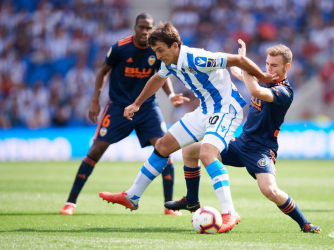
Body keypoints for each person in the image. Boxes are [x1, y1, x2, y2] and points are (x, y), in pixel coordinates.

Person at [98, 22, 278, 233]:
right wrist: (137, 103)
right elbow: (157, 78)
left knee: (207, 153)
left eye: (160, 51)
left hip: (226, 109)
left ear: (175, 46)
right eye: (155, 51)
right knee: (163, 145)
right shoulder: (170, 62)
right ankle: (133, 196)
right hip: (205, 110)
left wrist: (263, 77)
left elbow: (237, 59)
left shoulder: (197, 58)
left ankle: (230, 212)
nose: (158, 56)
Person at [165, 40, 321, 234]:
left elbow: (254, 90)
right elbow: (242, 75)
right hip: (240, 144)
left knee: (269, 191)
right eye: (267, 64)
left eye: (275, 66)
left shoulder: (284, 92)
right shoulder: (265, 79)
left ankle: (305, 224)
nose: (269, 69)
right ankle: (191, 199)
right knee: (189, 150)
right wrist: (241, 66)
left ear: (286, 67)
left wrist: (242, 62)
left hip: (261, 151)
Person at [60, 13, 189, 216]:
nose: (145, 32)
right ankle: (71, 202)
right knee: (96, 150)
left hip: (147, 107)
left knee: (165, 150)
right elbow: (103, 71)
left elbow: (161, 75)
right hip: (119, 107)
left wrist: (171, 95)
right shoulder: (120, 48)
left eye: (149, 28)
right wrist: (95, 101)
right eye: (141, 27)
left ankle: (168, 206)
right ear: (135, 27)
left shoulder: (157, 50)